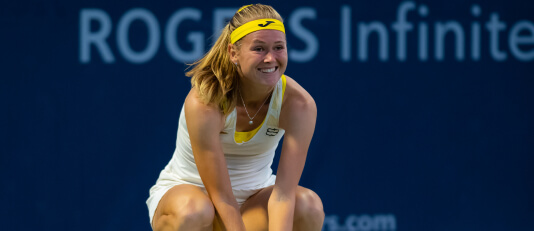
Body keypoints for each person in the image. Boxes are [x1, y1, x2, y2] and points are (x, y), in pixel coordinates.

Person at [146, 4, 324, 231]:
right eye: (259, 49)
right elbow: (221, 197)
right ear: (233, 53)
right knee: (193, 210)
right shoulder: (205, 102)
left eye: (279, 47)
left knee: (308, 206)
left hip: (255, 202)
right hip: (196, 198)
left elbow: (283, 197)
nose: (271, 58)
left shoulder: (299, 105)